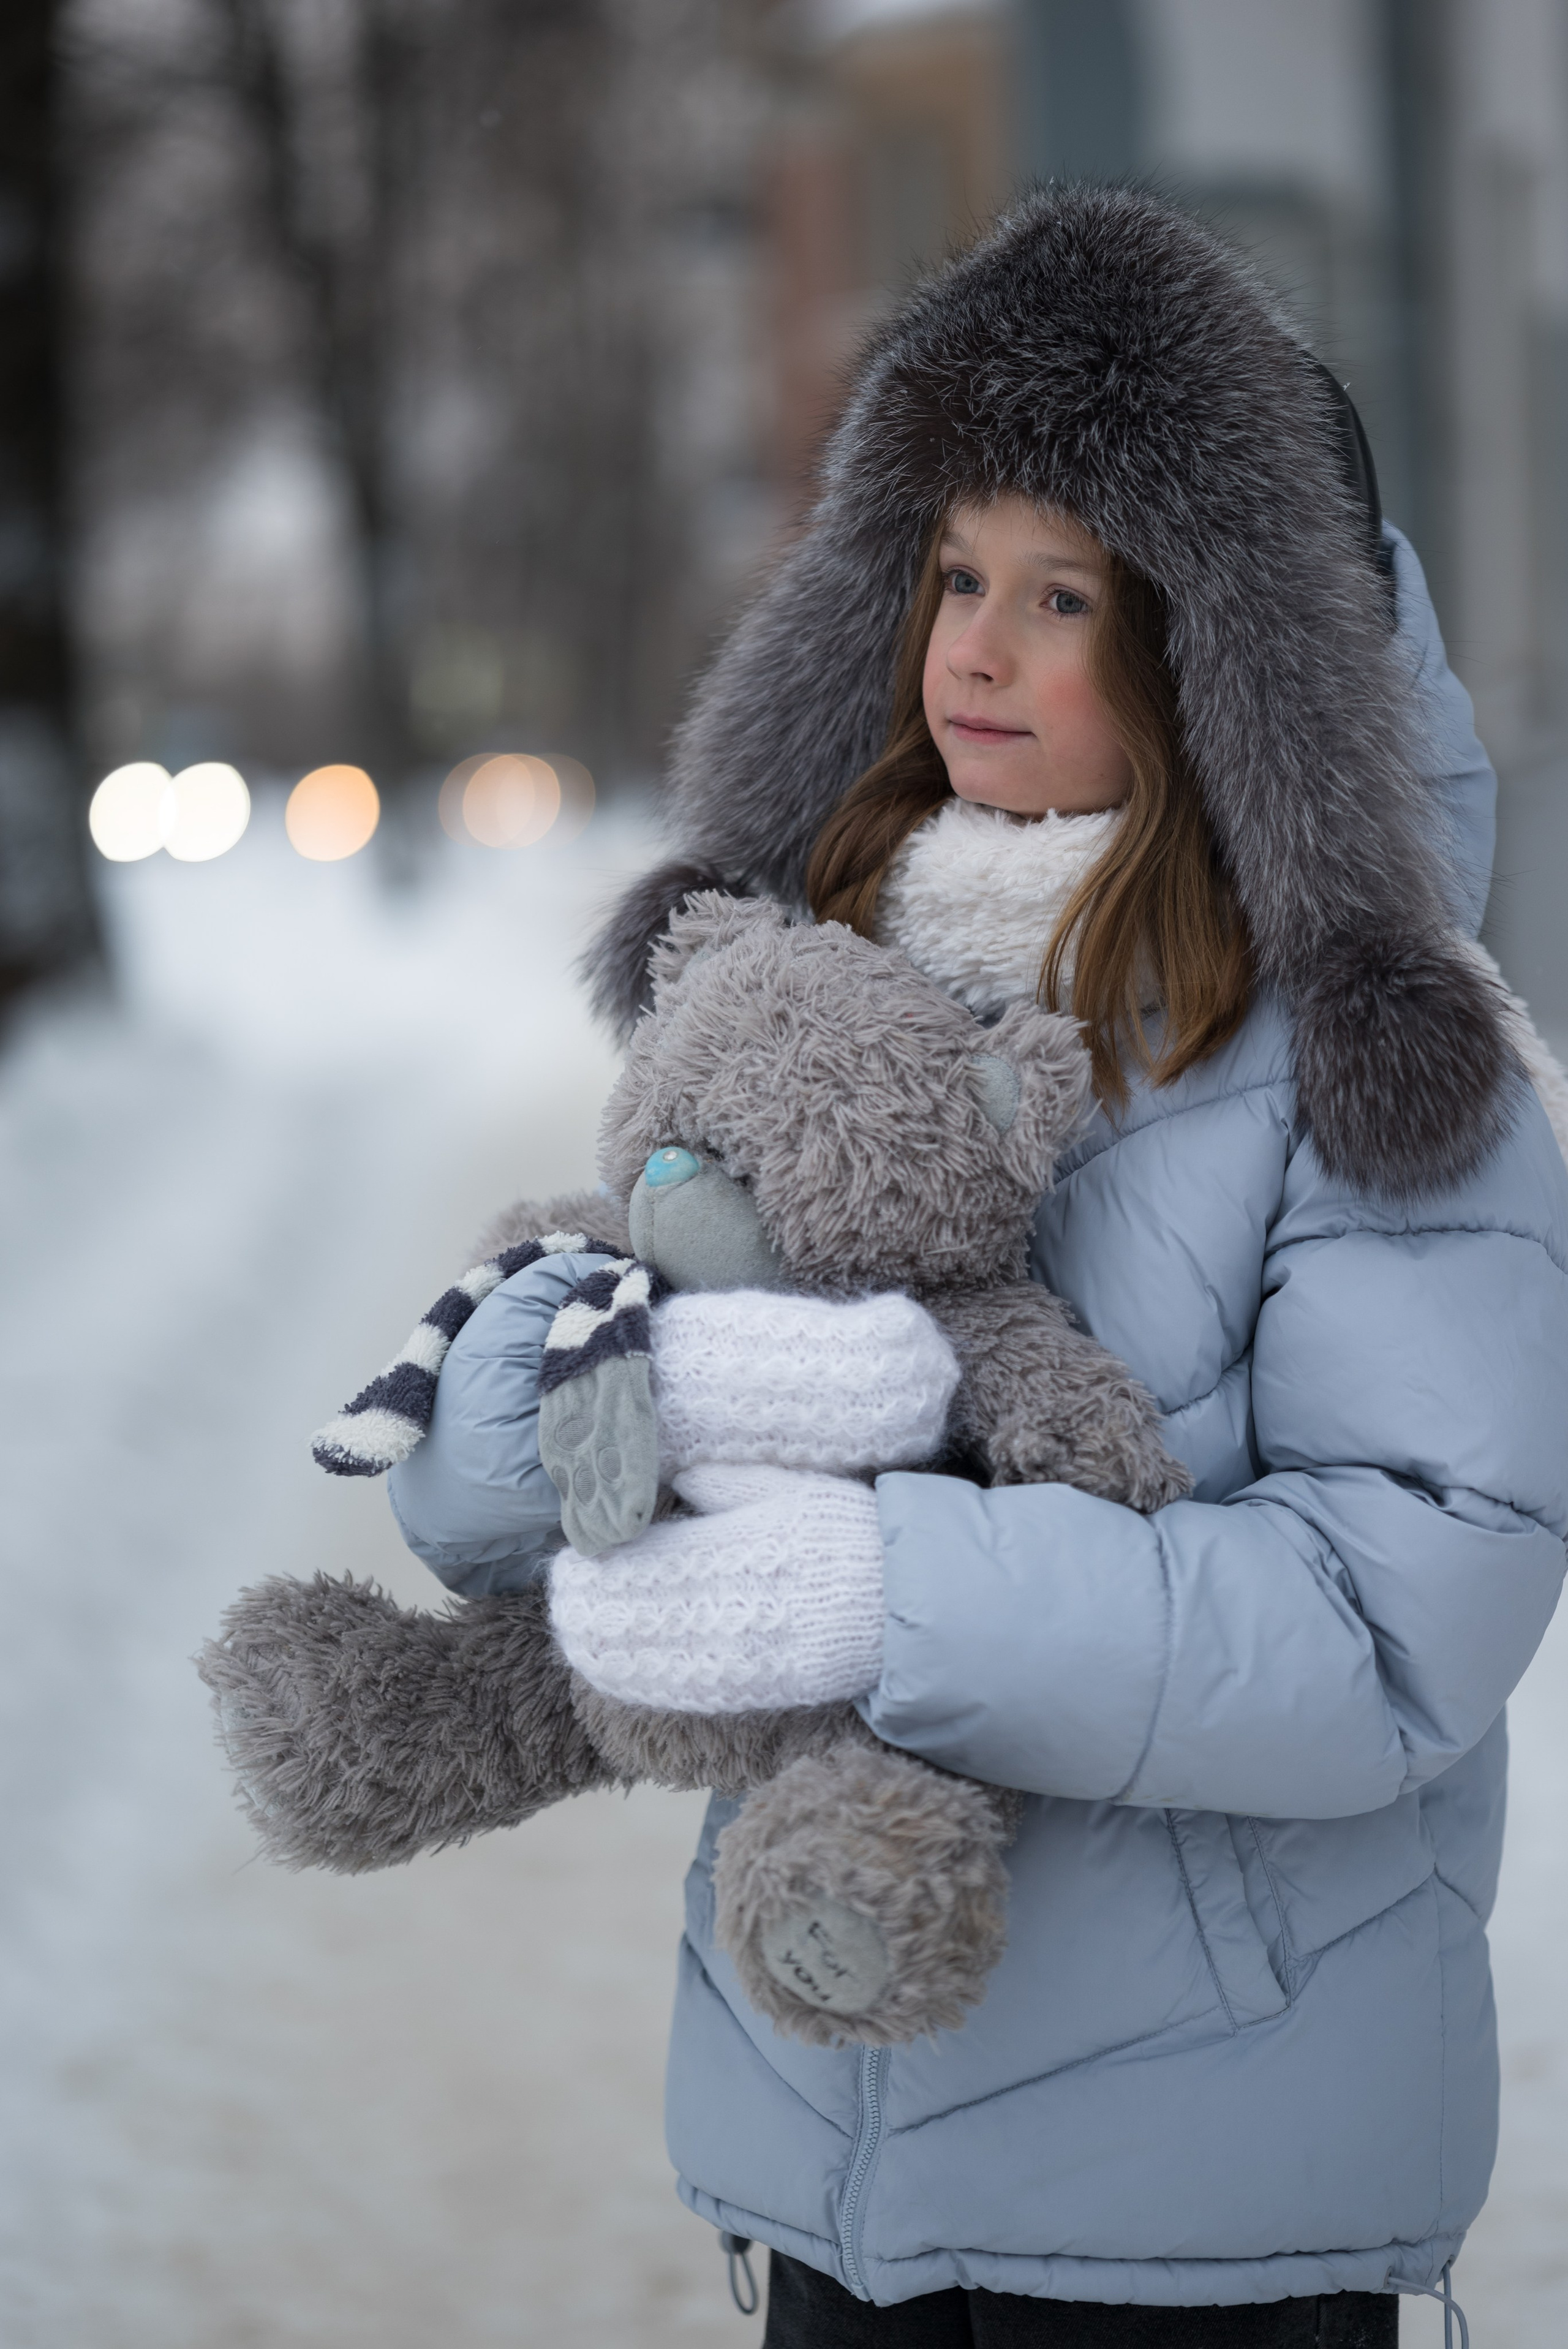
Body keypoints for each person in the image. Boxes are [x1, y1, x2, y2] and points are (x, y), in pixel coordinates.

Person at [388, 190, 1568, 2343]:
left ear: (1231, 648)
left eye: (1062, 593)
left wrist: (888, 1595)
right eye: (951, 574)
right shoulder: (812, 977)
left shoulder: (1382, 1068)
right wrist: (520, 1421)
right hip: (834, 2128)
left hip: (1207, 2186)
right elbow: (606, 1432)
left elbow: (1402, 1616)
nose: (978, 649)